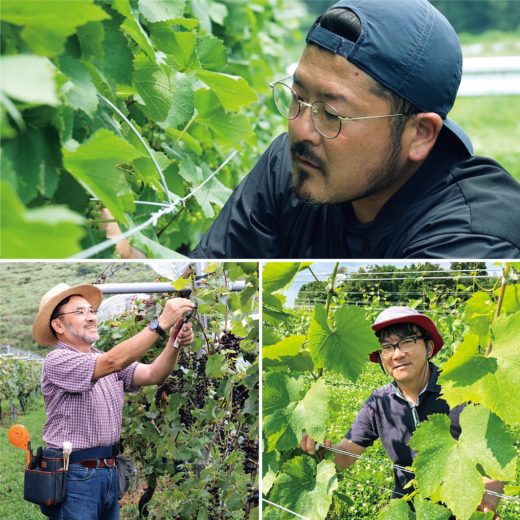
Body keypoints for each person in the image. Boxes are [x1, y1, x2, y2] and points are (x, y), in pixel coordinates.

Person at [191, 0, 520, 259]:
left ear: (419, 134)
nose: (302, 130)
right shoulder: (291, 167)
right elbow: (211, 293)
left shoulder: (475, 240)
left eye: (331, 115)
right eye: (298, 98)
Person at [300, 306, 503, 518]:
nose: (397, 354)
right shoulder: (379, 403)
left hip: (461, 510)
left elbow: (495, 453)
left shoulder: (461, 390)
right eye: (386, 347)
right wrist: (320, 448)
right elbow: (344, 457)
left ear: (429, 347)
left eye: (407, 342)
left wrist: (490, 489)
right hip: (407, 511)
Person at [32, 282, 194, 519]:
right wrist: (159, 324)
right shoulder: (58, 361)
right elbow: (113, 362)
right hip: (75, 474)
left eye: (91, 311)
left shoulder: (103, 360)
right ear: (58, 325)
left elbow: (153, 374)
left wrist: (174, 341)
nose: (90, 318)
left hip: (109, 470)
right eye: (80, 312)